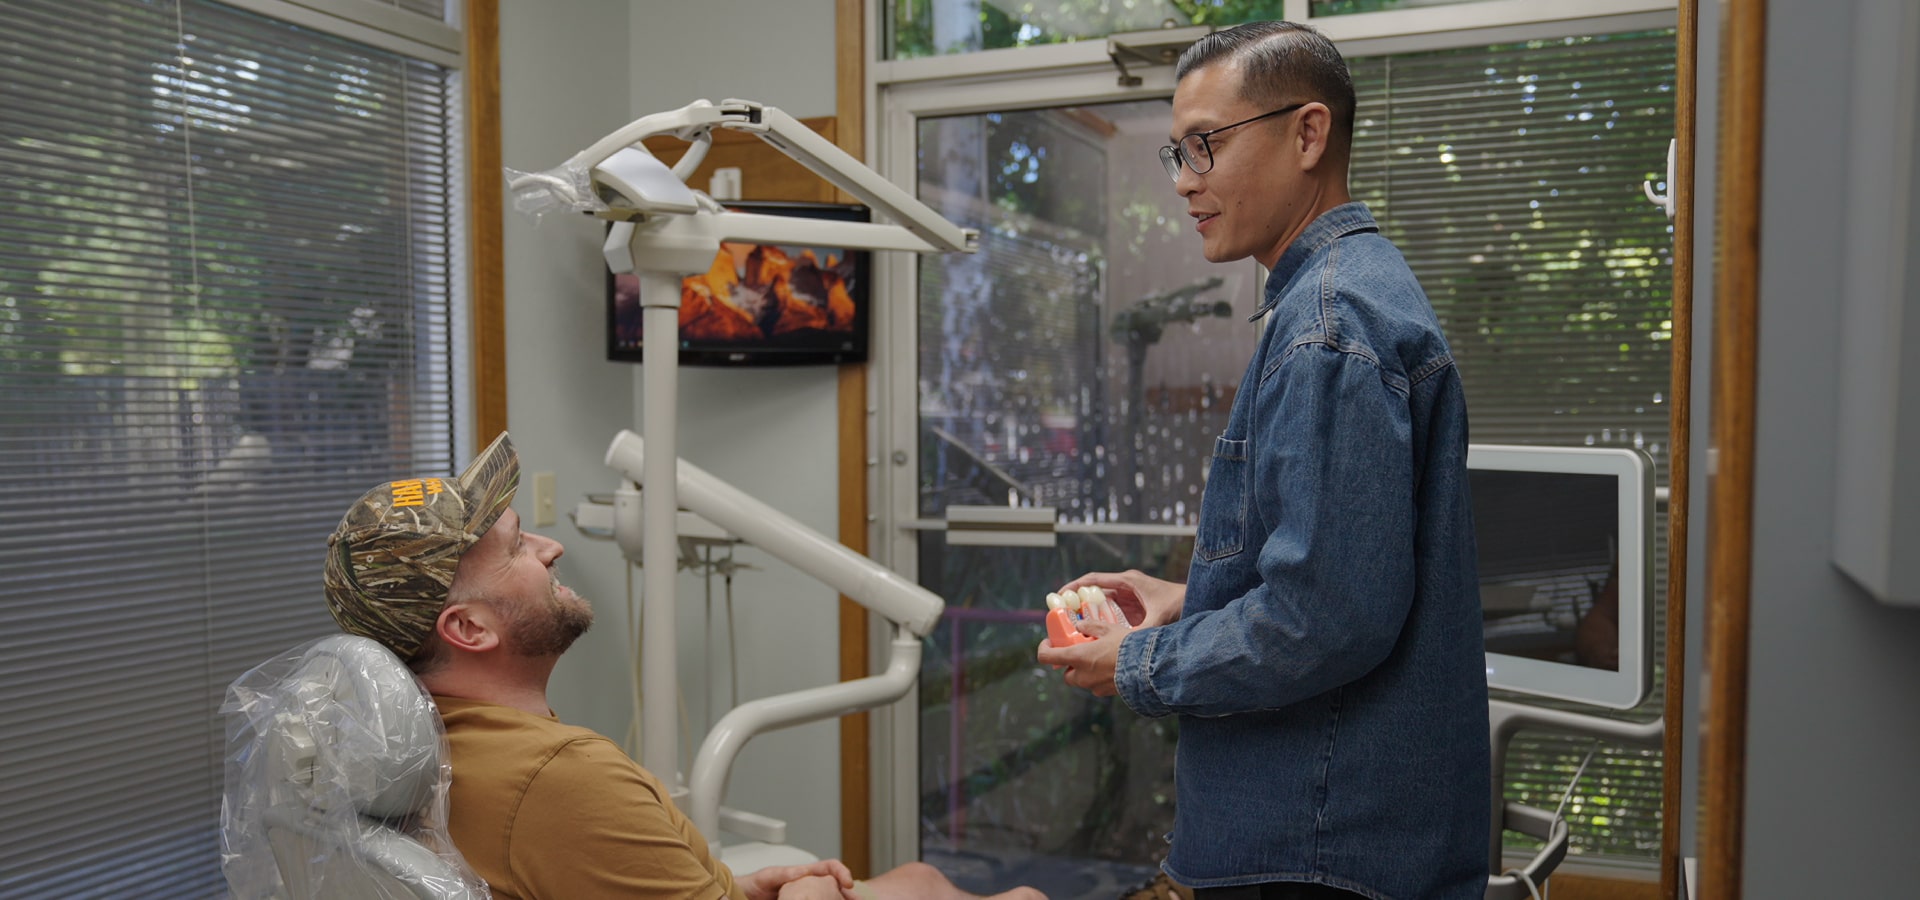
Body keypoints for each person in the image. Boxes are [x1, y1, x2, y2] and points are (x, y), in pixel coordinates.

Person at [1036, 21, 1491, 900]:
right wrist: (1183, 600)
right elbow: (1331, 561)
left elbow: (1322, 618)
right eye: (1177, 153)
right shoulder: (1359, 289)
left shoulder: (1329, 326)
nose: (1185, 182)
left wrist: (1136, 665)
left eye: (1205, 146)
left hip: (1316, 844)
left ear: (1308, 133)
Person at [324, 432, 1044, 900]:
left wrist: (742, 886)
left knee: (919, 877)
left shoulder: (433, 746)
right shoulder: (559, 779)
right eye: (517, 548)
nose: (551, 549)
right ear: (469, 627)